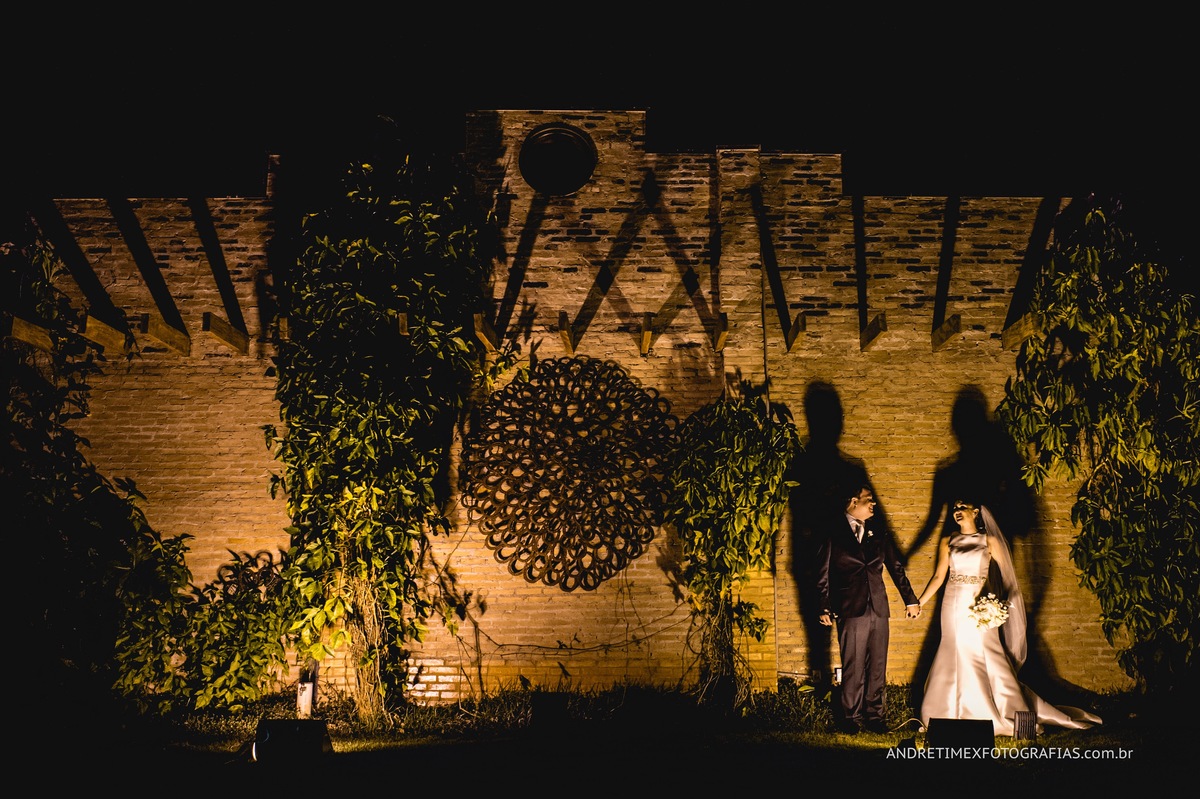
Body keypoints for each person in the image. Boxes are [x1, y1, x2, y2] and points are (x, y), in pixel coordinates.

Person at [916, 498, 1102, 736]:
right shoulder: (948, 540)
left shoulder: (989, 541)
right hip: (952, 605)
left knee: (985, 654)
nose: (957, 512)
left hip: (979, 606)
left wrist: (997, 605)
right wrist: (919, 602)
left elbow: (1007, 578)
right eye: (954, 508)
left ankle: (1002, 711)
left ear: (976, 512)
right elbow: (939, 577)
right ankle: (943, 714)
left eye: (962, 508)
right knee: (951, 650)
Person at [816, 483, 921, 734]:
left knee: (878, 665)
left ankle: (875, 716)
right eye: (868, 500)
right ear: (853, 501)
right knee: (852, 664)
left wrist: (911, 599)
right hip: (850, 607)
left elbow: (895, 567)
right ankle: (850, 717)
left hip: (878, 606)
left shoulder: (879, 531)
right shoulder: (831, 531)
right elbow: (822, 574)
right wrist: (824, 605)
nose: (873, 504)